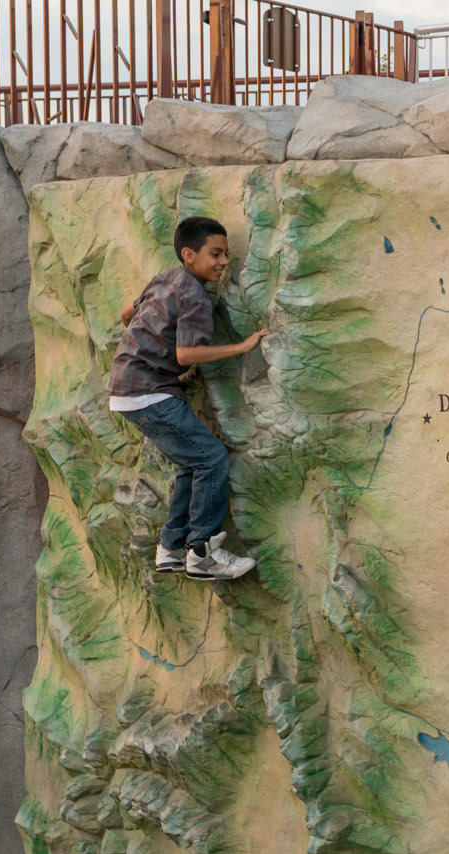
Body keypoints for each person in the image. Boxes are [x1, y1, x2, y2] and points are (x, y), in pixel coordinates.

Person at [107, 215, 268, 581]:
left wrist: (148, 339)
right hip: (149, 392)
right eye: (216, 254)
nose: (224, 262)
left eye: (226, 254)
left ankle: (171, 548)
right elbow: (186, 355)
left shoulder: (167, 277)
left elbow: (125, 314)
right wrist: (241, 347)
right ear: (189, 254)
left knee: (191, 464)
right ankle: (202, 552)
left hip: (126, 390)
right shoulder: (195, 296)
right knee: (212, 458)